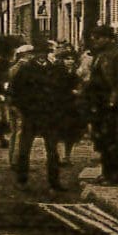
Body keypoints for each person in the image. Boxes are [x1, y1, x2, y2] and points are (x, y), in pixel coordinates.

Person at [7, 40, 73, 192]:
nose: (42, 56)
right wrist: (22, 108)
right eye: (39, 53)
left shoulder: (56, 69)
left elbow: (64, 89)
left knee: (52, 149)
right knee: (25, 148)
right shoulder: (26, 70)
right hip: (31, 113)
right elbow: (15, 91)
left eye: (45, 52)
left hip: (50, 114)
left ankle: (54, 181)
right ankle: (22, 180)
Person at [87, 25, 118, 185]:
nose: (95, 41)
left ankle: (116, 174)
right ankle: (106, 172)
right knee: (102, 139)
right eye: (94, 38)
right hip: (100, 103)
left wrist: (113, 100)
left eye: (98, 38)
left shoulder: (117, 56)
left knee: (114, 139)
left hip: (112, 105)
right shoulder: (100, 56)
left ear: (108, 38)